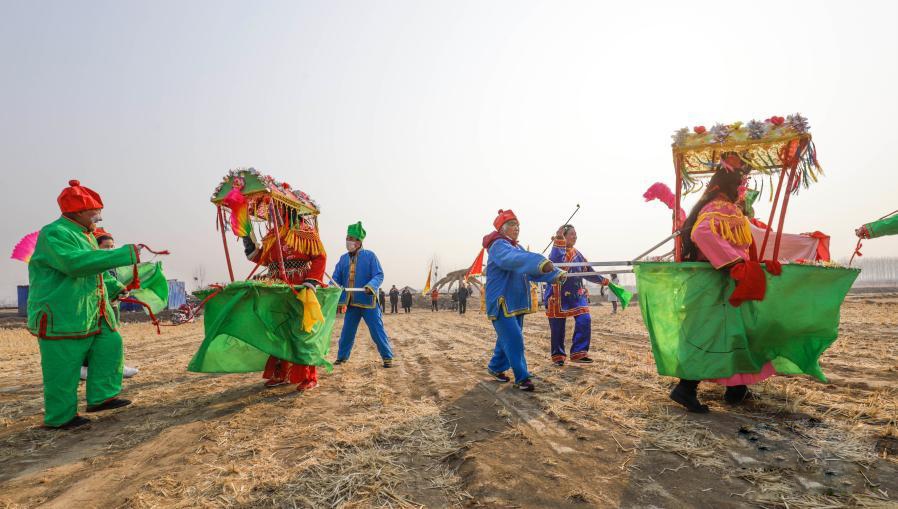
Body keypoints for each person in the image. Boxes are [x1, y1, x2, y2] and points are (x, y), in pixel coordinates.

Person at [28, 180, 143, 429]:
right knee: (63, 369)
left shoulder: (86, 235)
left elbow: (94, 271)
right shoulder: (54, 233)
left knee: (111, 344)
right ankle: (60, 417)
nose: (98, 219)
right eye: (94, 214)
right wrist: (123, 254)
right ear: (78, 212)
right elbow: (75, 264)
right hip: (62, 314)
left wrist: (116, 287)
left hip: (92, 311)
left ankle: (102, 397)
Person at [671, 153, 768, 413]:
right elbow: (701, 233)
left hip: (724, 283)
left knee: (734, 333)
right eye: (741, 184)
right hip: (716, 284)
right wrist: (732, 263)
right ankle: (686, 388)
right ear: (730, 185)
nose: (743, 190)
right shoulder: (720, 207)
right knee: (710, 335)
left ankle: (736, 387)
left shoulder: (725, 206)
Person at [483, 209, 565, 391]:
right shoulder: (498, 246)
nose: (517, 228)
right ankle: (522, 378)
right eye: (512, 225)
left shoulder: (517, 248)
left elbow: (531, 272)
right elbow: (513, 260)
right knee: (514, 339)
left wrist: (555, 274)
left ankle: (495, 367)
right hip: (501, 301)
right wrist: (539, 262)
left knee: (507, 338)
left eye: (518, 225)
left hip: (516, 301)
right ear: (502, 228)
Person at [243, 215, 326, 391]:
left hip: (299, 289)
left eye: (275, 208)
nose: (271, 214)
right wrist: (248, 241)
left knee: (301, 332)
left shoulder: (304, 231)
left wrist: (311, 281)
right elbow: (265, 259)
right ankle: (281, 373)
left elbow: (320, 256)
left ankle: (309, 376)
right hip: (277, 289)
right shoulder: (273, 234)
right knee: (278, 331)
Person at [333, 222, 395, 367]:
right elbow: (336, 278)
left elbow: (379, 275)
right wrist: (331, 287)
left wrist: (370, 286)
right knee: (347, 332)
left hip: (368, 302)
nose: (348, 241)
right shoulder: (343, 259)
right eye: (347, 238)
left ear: (359, 241)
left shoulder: (370, 256)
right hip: (352, 303)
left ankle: (387, 357)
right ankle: (342, 357)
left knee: (377, 331)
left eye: (351, 238)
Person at [544, 225, 609, 366]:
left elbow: (588, 271)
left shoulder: (577, 254)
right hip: (557, 295)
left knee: (585, 319)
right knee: (557, 328)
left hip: (576, 295)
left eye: (575, 234)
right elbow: (556, 263)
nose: (575, 236)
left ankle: (579, 353)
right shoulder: (556, 250)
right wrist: (558, 240)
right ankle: (558, 356)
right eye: (572, 234)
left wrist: (603, 281)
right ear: (564, 236)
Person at [80, 228, 140, 381]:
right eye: (106, 246)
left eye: (112, 246)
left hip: (112, 305)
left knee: (113, 336)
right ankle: (85, 367)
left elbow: (113, 281)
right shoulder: (92, 264)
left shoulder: (112, 264)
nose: (110, 250)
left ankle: (116, 366)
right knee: (94, 338)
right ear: (95, 247)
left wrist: (122, 290)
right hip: (95, 306)